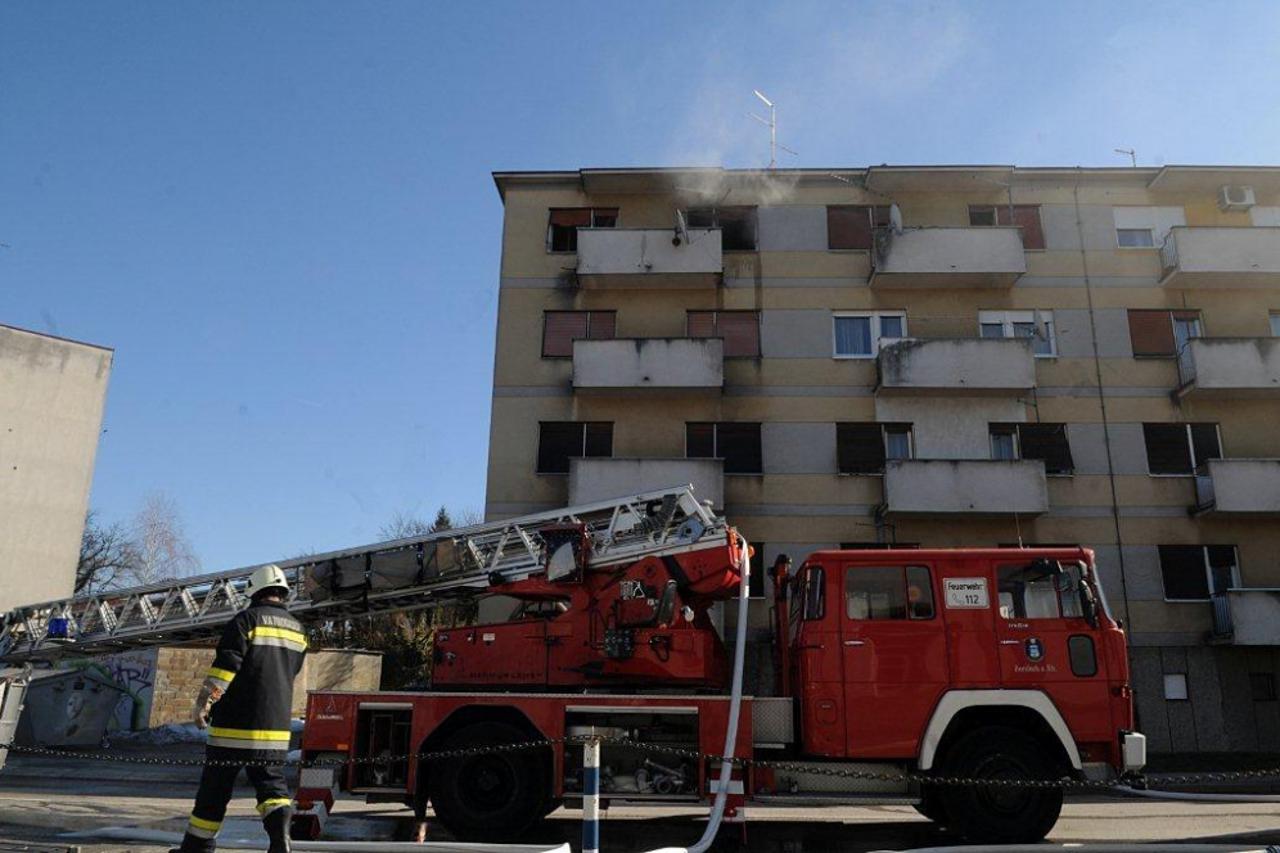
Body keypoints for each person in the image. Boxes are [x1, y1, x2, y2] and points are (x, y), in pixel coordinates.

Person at [172, 564, 306, 853]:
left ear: (253, 590)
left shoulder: (246, 620)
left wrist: (204, 702)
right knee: (272, 789)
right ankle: (280, 841)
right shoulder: (299, 630)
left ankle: (196, 848)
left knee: (215, 790)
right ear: (282, 592)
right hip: (275, 729)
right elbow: (289, 673)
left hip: (234, 726)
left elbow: (226, 667)